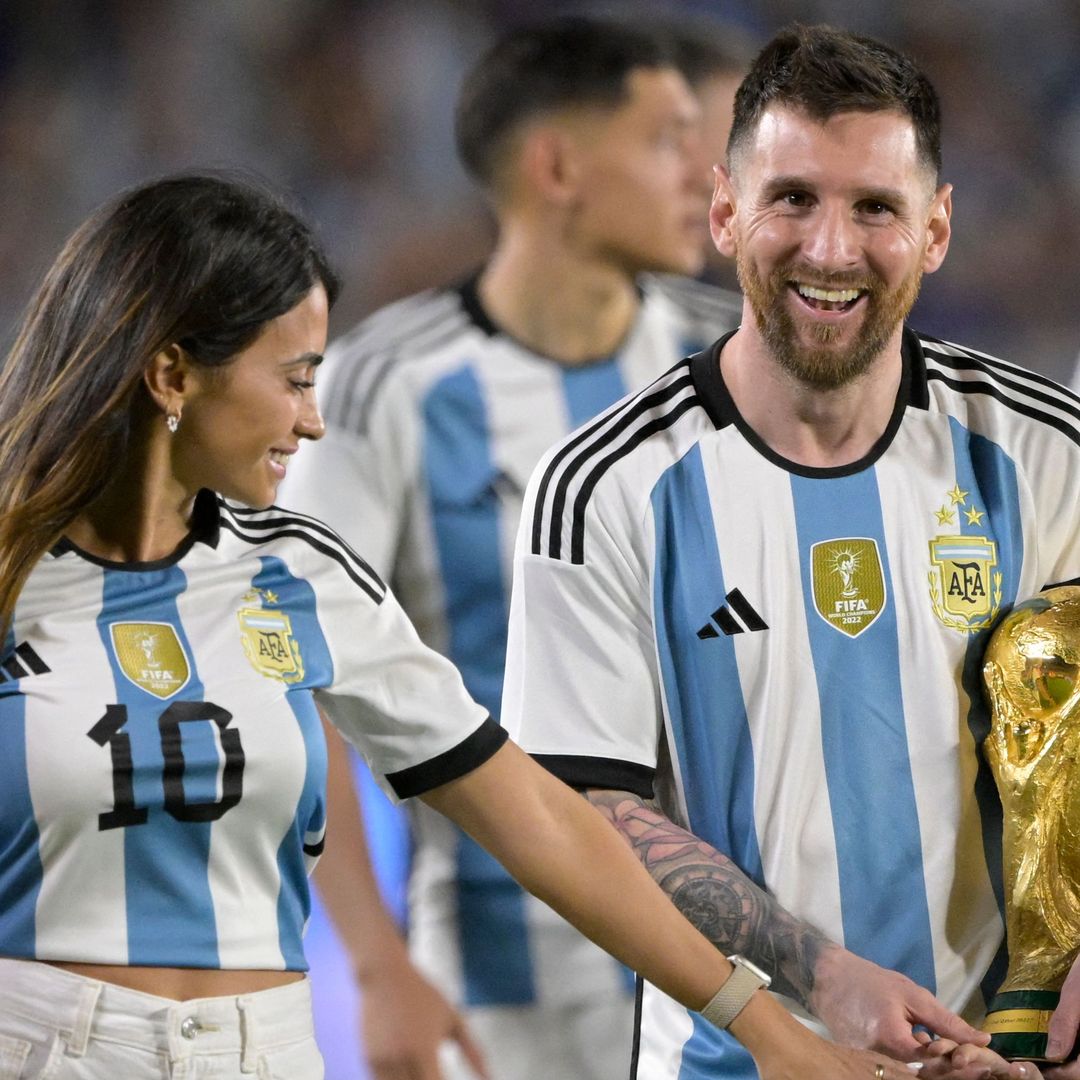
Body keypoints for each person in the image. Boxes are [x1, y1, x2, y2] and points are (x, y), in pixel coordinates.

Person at [0, 169, 939, 1080]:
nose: (314, 421)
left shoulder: (302, 570)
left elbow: (539, 820)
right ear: (172, 373)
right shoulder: (13, 580)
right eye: (292, 381)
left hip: (268, 1051)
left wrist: (769, 1028)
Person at [501, 21, 1080, 1080]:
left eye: (875, 208)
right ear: (725, 211)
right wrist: (822, 984)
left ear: (938, 229)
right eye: (792, 199)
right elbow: (580, 811)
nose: (830, 249)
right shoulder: (604, 487)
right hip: (733, 1066)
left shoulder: (1048, 451)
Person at [282, 15, 748, 1079]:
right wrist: (372, 962)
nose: (708, 176)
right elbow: (301, 679)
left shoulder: (731, 364)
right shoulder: (379, 384)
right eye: (672, 141)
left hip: (746, 962)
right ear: (558, 167)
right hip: (504, 986)